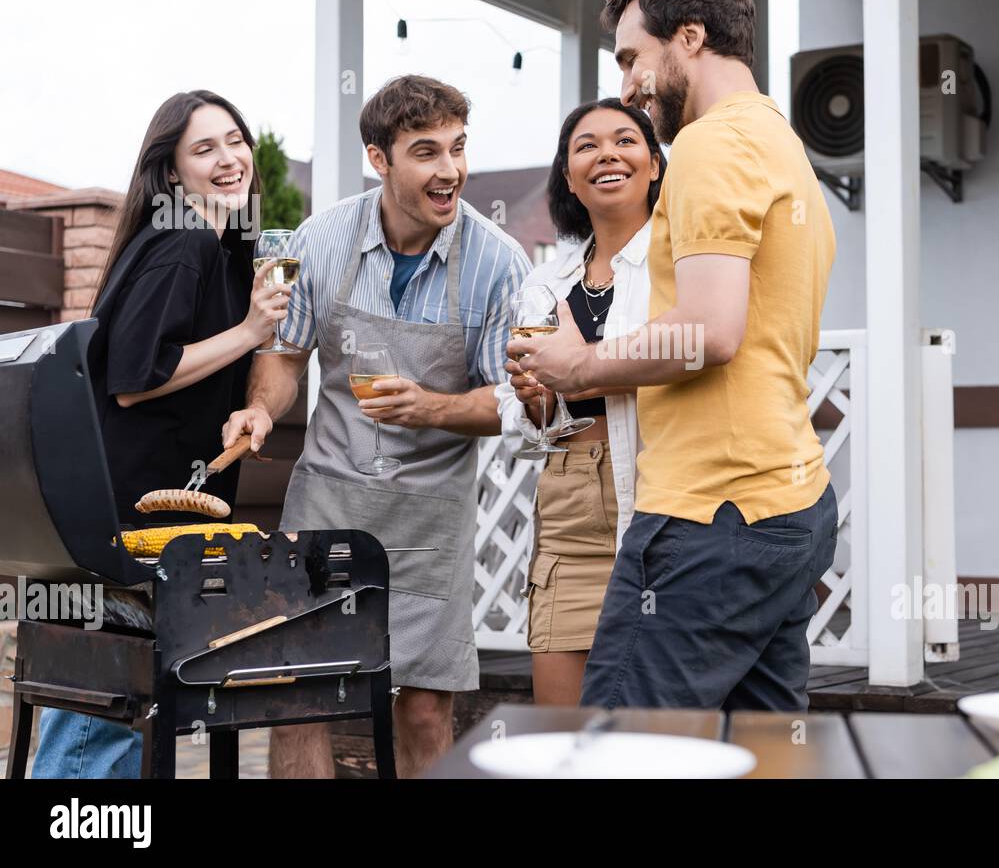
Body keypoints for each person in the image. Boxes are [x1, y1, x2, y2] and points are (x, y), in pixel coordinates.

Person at [508, 0, 839, 712]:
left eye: (632, 58)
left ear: (689, 37)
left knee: (621, 746)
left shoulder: (710, 145)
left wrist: (580, 365)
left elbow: (710, 331)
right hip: (787, 503)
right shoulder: (779, 141)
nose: (627, 86)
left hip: (711, 514)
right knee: (757, 754)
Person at [222, 75, 530, 777]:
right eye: (426, 152)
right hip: (328, 500)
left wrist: (433, 407)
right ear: (379, 158)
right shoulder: (322, 239)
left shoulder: (497, 263)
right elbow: (284, 352)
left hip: (429, 516)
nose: (449, 170)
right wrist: (262, 409)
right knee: (302, 696)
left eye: (457, 148)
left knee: (423, 706)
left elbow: (510, 400)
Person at [32, 90, 288, 778]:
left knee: (108, 709)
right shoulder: (184, 243)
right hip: (128, 522)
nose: (230, 158)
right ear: (172, 174)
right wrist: (250, 333)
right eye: (205, 148)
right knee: (98, 719)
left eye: (235, 140)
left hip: (135, 521)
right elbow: (132, 375)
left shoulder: (214, 244)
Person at [496, 98, 661, 705]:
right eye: (586, 146)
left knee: (651, 714)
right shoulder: (546, 283)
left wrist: (580, 376)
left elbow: (692, 362)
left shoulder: (676, 266)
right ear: (568, 176)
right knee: (561, 723)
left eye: (626, 140)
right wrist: (537, 401)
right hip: (567, 496)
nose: (607, 154)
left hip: (656, 490)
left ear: (654, 165)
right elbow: (526, 426)